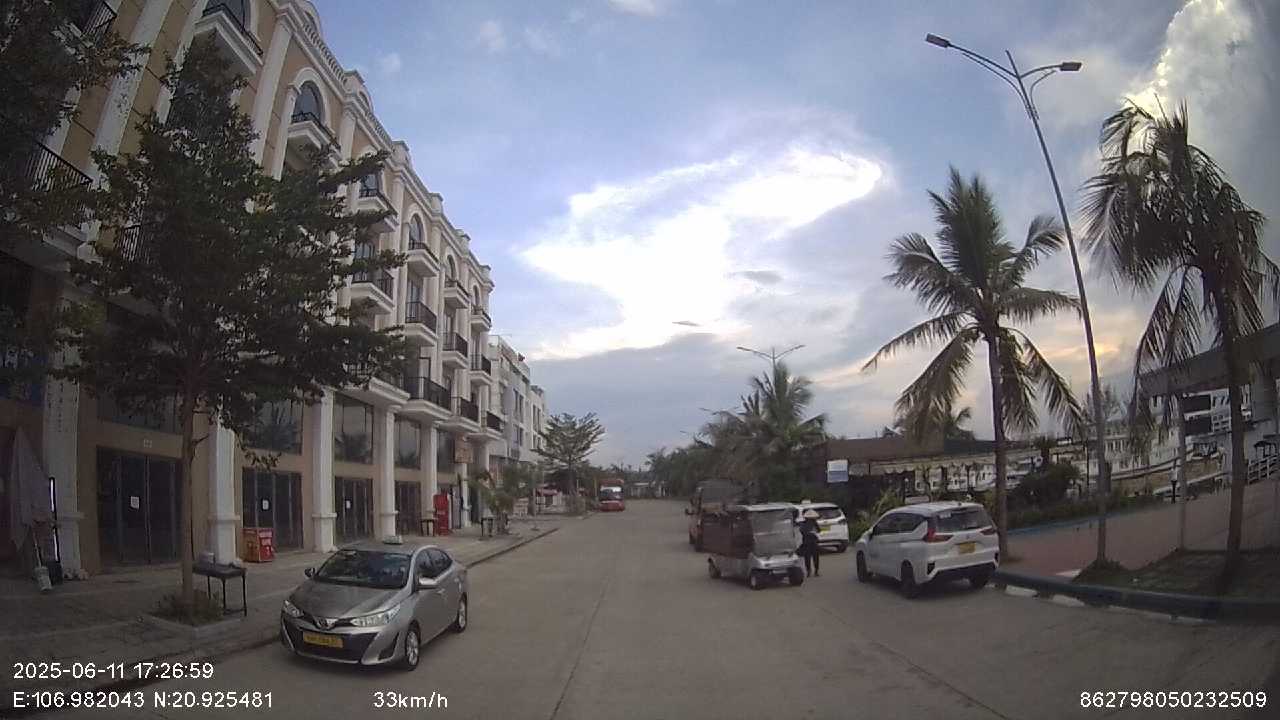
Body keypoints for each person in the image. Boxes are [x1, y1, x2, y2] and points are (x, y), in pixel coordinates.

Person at [798, 509, 820, 577]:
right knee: (815, 557)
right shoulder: (813, 523)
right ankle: (815, 571)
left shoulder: (804, 523)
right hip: (812, 542)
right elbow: (819, 530)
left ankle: (809, 571)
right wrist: (812, 532)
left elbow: (802, 531)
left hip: (807, 542)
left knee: (807, 557)